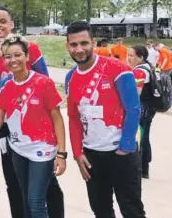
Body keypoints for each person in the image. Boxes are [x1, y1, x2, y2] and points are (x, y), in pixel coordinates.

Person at [0, 6, 63, 218]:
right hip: (9, 129)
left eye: (2, 21)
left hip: (38, 128)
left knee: (47, 184)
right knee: (13, 181)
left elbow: (45, 80)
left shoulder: (30, 47)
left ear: (12, 24)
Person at [64, 21, 145, 218]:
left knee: (132, 210)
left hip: (121, 154)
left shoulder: (118, 69)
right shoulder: (70, 78)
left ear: (93, 43)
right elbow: (74, 117)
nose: (79, 49)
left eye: (84, 43)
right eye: (74, 45)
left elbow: (133, 109)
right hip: (91, 156)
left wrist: (125, 148)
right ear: (67, 46)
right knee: (101, 210)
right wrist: (77, 152)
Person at [128, 45, 157, 179]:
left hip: (142, 109)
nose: (129, 58)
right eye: (128, 55)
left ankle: (142, 168)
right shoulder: (149, 66)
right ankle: (144, 166)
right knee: (144, 137)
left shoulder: (139, 72)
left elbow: (135, 94)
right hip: (149, 108)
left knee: (141, 138)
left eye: (132, 56)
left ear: (141, 57)